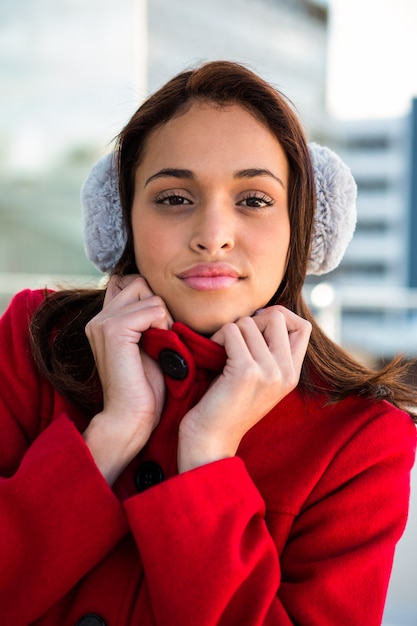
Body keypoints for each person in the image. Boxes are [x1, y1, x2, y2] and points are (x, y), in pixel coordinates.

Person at [0, 61, 416, 626]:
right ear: (120, 219)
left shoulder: (362, 439)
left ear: (304, 225)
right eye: (174, 198)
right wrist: (112, 432)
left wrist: (208, 456)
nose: (212, 235)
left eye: (254, 199)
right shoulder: (32, 339)